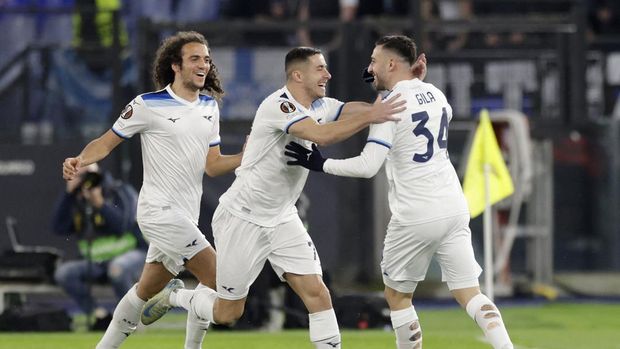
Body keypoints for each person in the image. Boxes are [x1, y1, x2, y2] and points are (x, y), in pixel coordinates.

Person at [140, 46, 427, 348]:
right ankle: (176, 295)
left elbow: (347, 110)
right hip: (243, 217)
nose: (327, 74)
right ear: (297, 75)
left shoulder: (319, 105)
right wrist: (374, 113)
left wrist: (396, 94)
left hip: (282, 217)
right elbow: (322, 136)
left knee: (317, 293)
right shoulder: (279, 106)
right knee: (228, 312)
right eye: (320, 69)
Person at [284, 35, 514, 349]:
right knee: (469, 293)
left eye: (375, 62)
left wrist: (321, 164)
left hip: (416, 213)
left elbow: (367, 166)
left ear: (392, 64)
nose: (369, 69)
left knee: (397, 296)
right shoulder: (436, 95)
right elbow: (424, 103)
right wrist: (413, 81)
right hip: (453, 206)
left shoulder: (389, 107)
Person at [61, 31, 243, 349]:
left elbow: (212, 166)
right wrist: (79, 159)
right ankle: (175, 297)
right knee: (221, 281)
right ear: (176, 65)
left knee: (143, 291)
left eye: (207, 59)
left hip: (185, 215)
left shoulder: (209, 108)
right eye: (195, 59)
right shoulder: (147, 105)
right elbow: (106, 142)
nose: (204, 65)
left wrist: (245, 157)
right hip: (158, 213)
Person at [52, 162, 146, 330]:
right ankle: (98, 314)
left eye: (89, 174)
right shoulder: (77, 199)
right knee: (64, 273)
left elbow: (123, 224)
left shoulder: (119, 191)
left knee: (117, 269)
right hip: (95, 262)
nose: (87, 181)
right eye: (80, 175)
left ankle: (129, 321)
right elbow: (58, 228)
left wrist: (101, 205)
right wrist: (68, 194)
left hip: (130, 254)